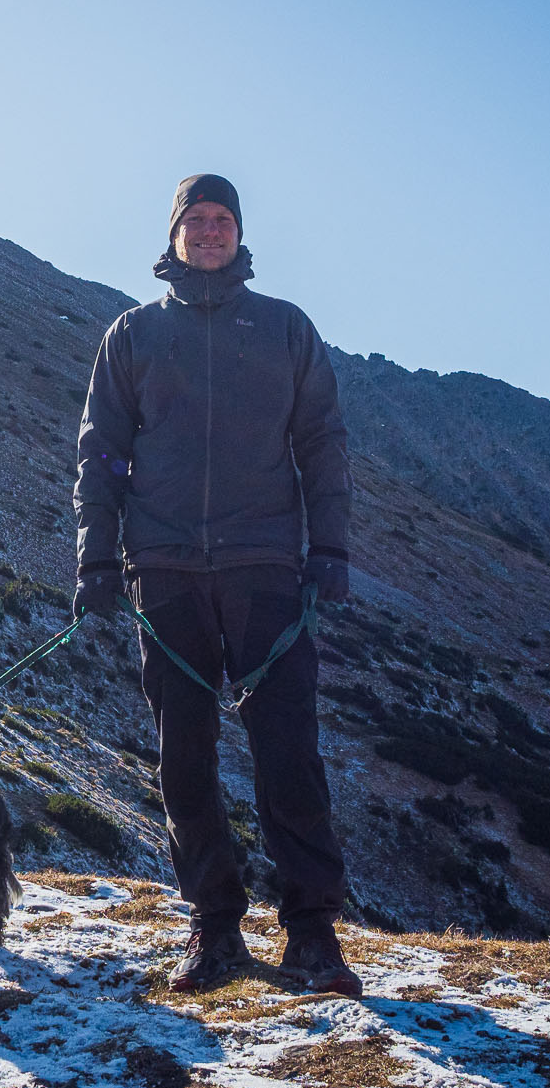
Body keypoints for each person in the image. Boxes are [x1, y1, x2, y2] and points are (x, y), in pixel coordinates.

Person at [72, 173, 359, 996]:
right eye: (194, 220)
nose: (207, 232)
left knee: (289, 754)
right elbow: (101, 456)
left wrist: (330, 550)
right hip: (161, 573)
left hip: (267, 570)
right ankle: (214, 927)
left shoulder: (285, 330)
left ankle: (312, 935)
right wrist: (97, 559)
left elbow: (323, 446)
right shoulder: (131, 336)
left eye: (221, 220)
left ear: (240, 233)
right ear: (172, 235)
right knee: (183, 759)